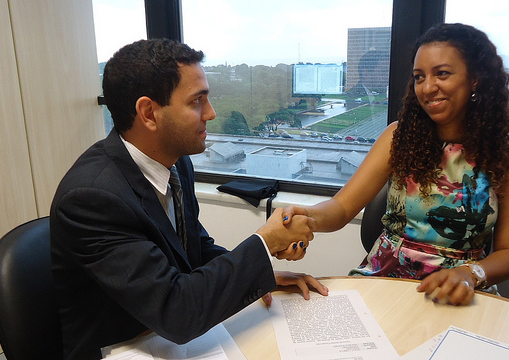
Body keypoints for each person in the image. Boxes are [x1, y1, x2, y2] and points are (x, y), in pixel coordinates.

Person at [50, 39, 327, 360]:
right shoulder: (91, 197)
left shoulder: (175, 160)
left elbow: (194, 249)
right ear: (149, 113)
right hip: (121, 348)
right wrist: (264, 243)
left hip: (163, 338)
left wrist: (262, 271)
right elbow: (177, 312)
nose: (210, 113)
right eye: (197, 101)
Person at [284, 23, 509, 306]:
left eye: (442, 74)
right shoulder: (397, 137)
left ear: (475, 78)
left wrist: (471, 273)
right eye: (419, 77)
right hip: (386, 279)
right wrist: (307, 216)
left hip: (460, 289)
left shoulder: (505, 155)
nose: (427, 87)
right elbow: (341, 208)